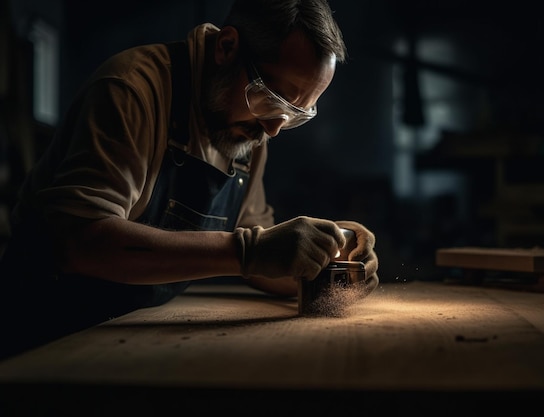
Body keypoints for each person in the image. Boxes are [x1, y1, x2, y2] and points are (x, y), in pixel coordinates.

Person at [0, 0, 379, 359]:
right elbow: (79, 240)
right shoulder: (133, 91)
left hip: (126, 336)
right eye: (270, 99)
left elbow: (261, 246)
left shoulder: (250, 129)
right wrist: (248, 251)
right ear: (226, 47)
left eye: (297, 113)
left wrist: (325, 261)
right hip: (40, 336)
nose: (275, 129)